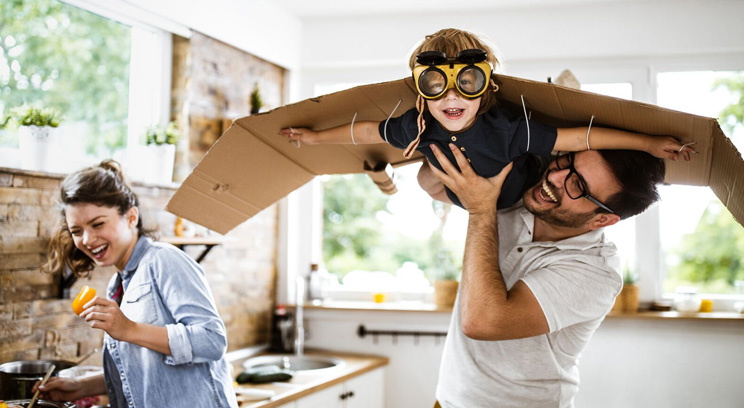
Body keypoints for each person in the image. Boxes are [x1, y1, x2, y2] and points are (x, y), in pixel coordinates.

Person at [279, 28, 693, 209]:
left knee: (433, 173)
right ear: (423, 87)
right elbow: (367, 129)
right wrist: (315, 138)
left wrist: (647, 143)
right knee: (424, 177)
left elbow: (581, 139)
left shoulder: (510, 131)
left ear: (487, 88)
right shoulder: (420, 123)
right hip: (455, 196)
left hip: (511, 199)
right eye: (438, 83)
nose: (453, 96)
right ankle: (395, 182)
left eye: (469, 81)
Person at [422, 143, 666, 407]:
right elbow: (431, 184)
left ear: (601, 220)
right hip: (448, 399)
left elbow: (482, 322)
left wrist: (481, 209)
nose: (555, 177)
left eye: (577, 186)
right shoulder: (521, 197)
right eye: (567, 161)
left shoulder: (595, 272)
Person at [38, 160, 238, 408]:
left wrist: (130, 329)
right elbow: (143, 370)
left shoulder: (164, 260)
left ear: (131, 217)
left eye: (98, 224)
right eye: (77, 231)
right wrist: (80, 387)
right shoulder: (119, 285)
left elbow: (212, 341)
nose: (87, 239)